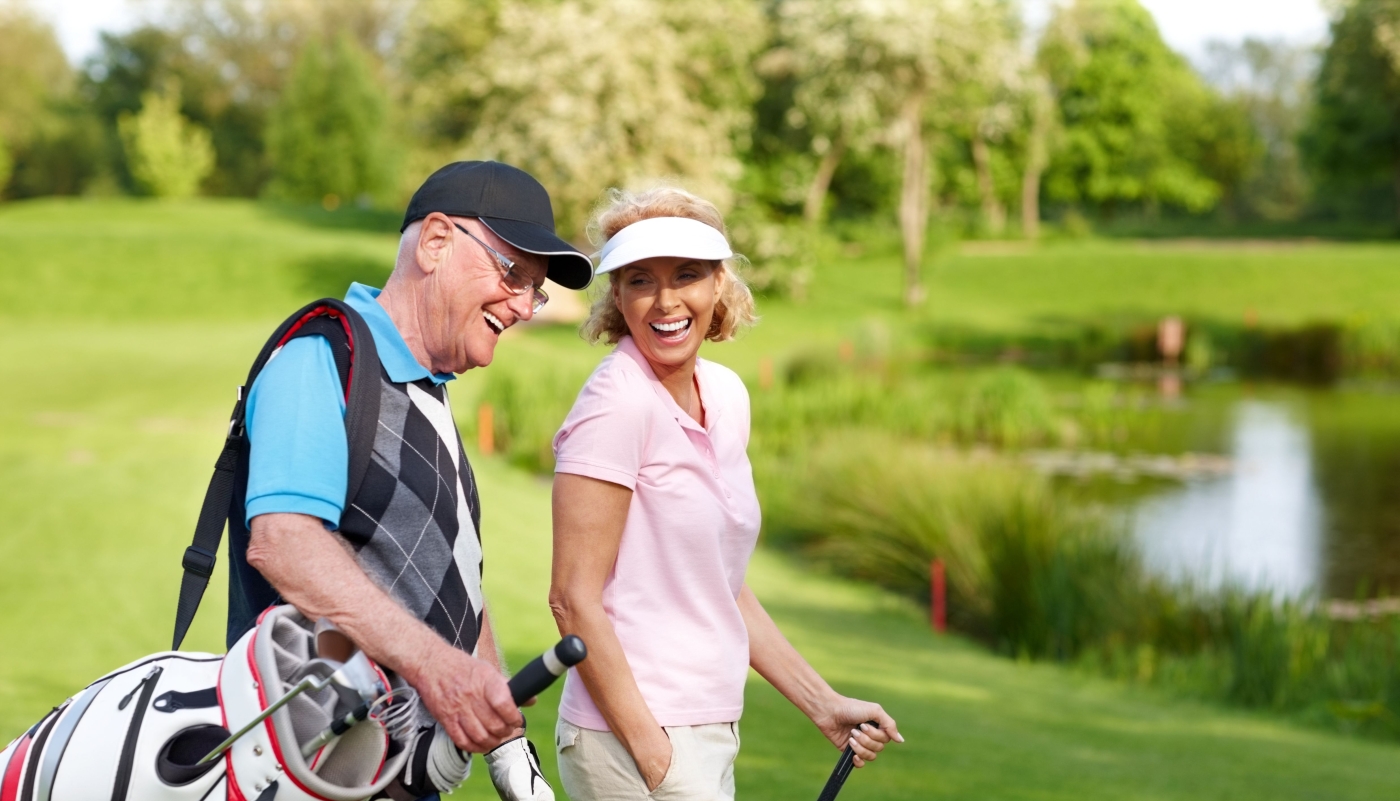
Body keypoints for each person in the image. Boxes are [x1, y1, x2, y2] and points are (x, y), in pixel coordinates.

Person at [236, 161, 591, 799]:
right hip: (310, 768)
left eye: (533, 291)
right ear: (434, 242)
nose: (523, 307)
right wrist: (439, 669)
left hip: (395, 778)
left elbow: (452, 579)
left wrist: (510, 749)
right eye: (513, 274)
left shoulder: (427, 392)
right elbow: (284, 542)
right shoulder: (324, 355)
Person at [549, 187, 902, 800]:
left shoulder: (728, 396)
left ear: (719, 286)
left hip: (708, 728)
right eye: (640, 280)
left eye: (686, 275)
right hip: (631, 739)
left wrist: (823, 704)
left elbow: (720, 584)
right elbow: (571, 600)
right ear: (618, 298)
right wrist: (654, 754)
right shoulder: (617, 405)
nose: (666, 301)